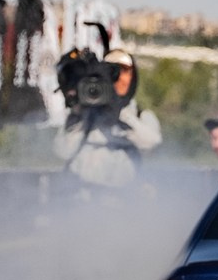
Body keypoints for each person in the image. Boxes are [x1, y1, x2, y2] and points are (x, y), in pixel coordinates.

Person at [54, 48, 161, 187]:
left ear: (133, 76)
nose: (120, 77)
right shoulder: (84, 114)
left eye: (125, 70)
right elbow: (62, 151)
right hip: (81, 197)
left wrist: (120, 112)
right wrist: (80, 114)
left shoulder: (140, 115)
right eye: (112, 71)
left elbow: (152, 142)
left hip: (122, 200)